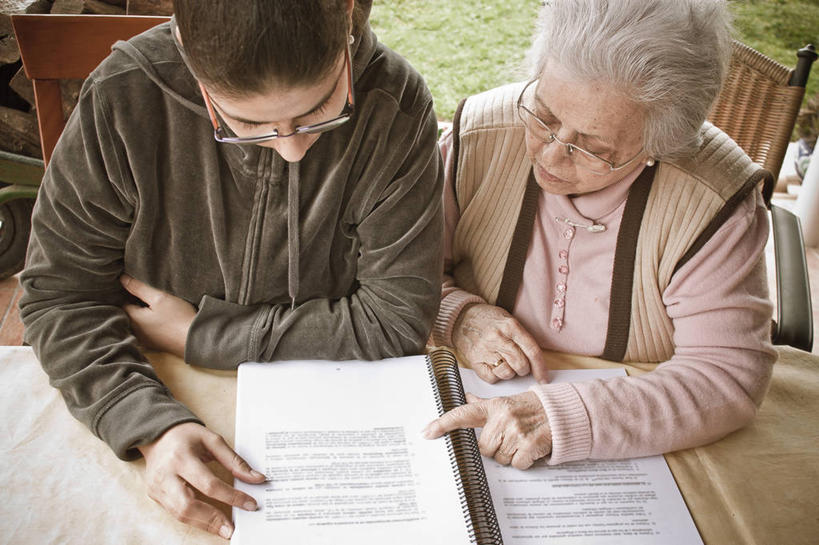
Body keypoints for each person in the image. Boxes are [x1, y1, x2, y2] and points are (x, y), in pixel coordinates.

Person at [20, 0, 443, 538]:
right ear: (189, 64)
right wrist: (144, 422)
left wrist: (201, 333)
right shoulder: (124, 95)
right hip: (139, 381)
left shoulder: (395, 104)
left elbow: (395, 320)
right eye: (245, 122)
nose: (291, 150)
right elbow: (60, 295)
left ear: (346, 30)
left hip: (328, 408)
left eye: (320, 111)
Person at [423, 0, 776, 471]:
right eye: (544, 117)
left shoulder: (711, 200)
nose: (550, 158)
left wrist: (566, 417)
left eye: (593, 148)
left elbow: (727, 375)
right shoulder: (479, 136)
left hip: (647, 462)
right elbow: (395, 278)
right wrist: (456, 315)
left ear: (659, 145)